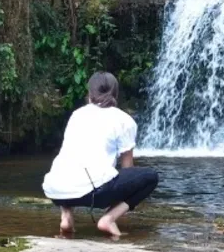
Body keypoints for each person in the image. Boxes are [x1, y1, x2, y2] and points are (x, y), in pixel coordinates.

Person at [42, 71, 159, 237]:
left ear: (90, 94)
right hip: (95, 193)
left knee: (66, 167)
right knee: (150, 176)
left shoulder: (77, 115)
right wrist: (118, 202)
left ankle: (66, 216)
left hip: (55, 190)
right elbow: (127, 168)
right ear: (115, 94)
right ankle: (108, 219)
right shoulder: (124, 120)